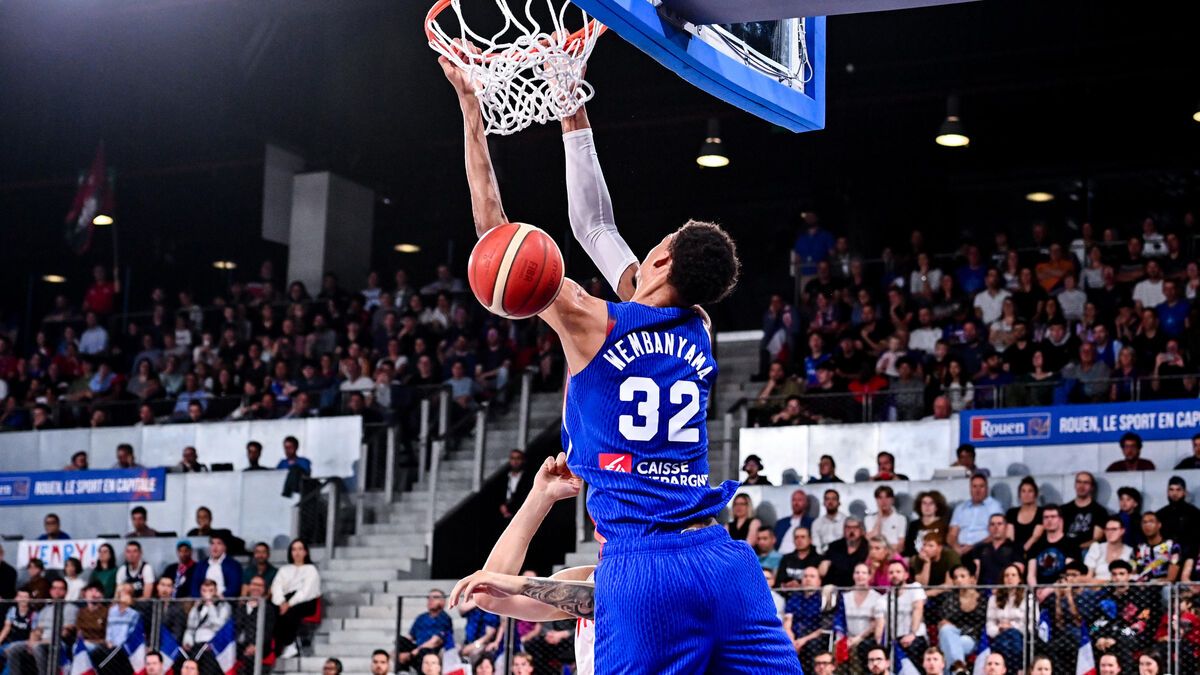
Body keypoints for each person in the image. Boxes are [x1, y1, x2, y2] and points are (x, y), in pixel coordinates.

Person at [446, 60, 795, 673]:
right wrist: (571, 106)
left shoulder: (590, 322)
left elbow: (498, 239)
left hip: (642, 567)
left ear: (659, 259)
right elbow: (597, 228)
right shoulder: (701, 328)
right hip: (724, 562)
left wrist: (473, 112)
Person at [269, 539, 322, 659]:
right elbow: (276, 587)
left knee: (290, 613)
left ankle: (290, 644)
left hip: (305, 601)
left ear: (305, 552)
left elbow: (307, 591)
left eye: (300, 549)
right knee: (271, 611)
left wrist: (290, 604)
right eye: (294, 549)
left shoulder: (311, 570)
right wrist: (281, 602)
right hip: (284, 600)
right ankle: (274, 647)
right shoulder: (284, 570)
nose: (297, 552)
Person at [937, 565, 986, 673]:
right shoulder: (950, 599)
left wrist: (951, 627)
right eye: (955, 577)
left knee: (949, 647)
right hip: (950, 636)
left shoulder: (983, 599)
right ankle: (960, 670)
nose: (958, 580)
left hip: (971, 639)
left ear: (972, 579)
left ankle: (956, 670)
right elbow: (943, 624)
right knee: (947, 634)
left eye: (962, 576)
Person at [1028, 505, 1082, 597]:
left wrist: (1049, 590)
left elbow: (1069, 575)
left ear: (1060, 520)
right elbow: (1031, 574)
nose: (1049, 520)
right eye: (1046, 517)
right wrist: (1036, 590)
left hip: (1062, 592)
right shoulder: (1036, 546)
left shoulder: (1071, 544)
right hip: (1037, 592)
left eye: (1053, 517)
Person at [986, 565, 1028, 673]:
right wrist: (999, 628)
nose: (1010, 578)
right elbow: (989, 623)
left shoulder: (1028, 598)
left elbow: (1031, 624)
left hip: (1021, 637)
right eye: (1006, 575)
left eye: (1013, 575)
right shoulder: (993, 599)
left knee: (1012, 635)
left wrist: (1011, 626)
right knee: (1005, 639)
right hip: (999, 636)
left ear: (1019, 579)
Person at [947, 475, 1003, 556]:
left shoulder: (994, 507)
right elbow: (952, 534)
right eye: (974, 486)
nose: (978, 490)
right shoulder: (961, 508)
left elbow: (997, 533)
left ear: (987, 489)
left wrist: (973, 547)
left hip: (983, 549)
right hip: (959, 550)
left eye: (981, 486)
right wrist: (956, 547)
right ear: (970, 489)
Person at [397, 590, 452, 670]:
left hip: (432, 649)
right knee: (400, 641)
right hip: (417, 648)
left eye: (435, 597)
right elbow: (410, 636)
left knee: (424, 652)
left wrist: (413, 652)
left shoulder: (444, 618)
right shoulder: (421, 617)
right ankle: (403, 672)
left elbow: (435, 641)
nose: (430, 600)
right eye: (428, 597)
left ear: (443, 601)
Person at [841, 563, 884, 667]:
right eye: (857, 572)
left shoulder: (877, 597)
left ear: (869, 576)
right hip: (847, 638)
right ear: (853, 575)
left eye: (864, 573)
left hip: (867, 638)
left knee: (863, 647)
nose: (860, 575)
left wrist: (859, 638)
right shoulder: (845, 597)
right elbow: (840, 619)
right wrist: (845, 639)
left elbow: (876, 623)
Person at [887, 559, 928, 663]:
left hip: (915, 636)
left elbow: (918, 609)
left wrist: (912, 634)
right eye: (891, 572)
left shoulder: (915, 587)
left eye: (898, 572)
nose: (894, 575)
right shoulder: (887, 596)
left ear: (906, 575)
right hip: (895, 639)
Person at [184, 579, 232, 664]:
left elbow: (219, 625)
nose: (207, 594)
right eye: (204, 590)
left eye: (210, 590)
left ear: (216, 591)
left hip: (213, 646)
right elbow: (191, 626)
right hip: (196, 645)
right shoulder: (198, 606)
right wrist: (187, 641)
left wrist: (210, 605)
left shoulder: (224, 606)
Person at [236, 576, 275, 674]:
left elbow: (268, 631)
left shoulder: (268, 609)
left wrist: (255, 645)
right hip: (239, 646)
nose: (256, 587)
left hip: (260, 645)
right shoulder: (240, 608)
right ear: (249, 587)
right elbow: (235, 628)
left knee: (250, 658)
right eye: (254, 584)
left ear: (264, 589)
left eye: (260, 585)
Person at [1059, 472, 1106, 548]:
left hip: (1085, 551)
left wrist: (1077, 548)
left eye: (1086, 483)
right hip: (1064, 549)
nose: (1081, 486)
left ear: (1092, 487)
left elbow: (1097, 539)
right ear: (1075, 485)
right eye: (1079, 482)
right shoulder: (1063, 509)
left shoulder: (1099, 511)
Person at [1156, 475, 1200, 552]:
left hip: (1190, 555)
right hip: (1164, 554)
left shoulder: (1195, 513)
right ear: (1167, 492)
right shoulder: (1160, 514)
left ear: (1184, 492)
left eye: (1178, 490)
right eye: (1171, 490)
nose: (1174, 493)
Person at [820, 518, 869, 588]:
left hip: (857, 589)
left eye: (855, 527)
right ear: (843, 530)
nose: (851, 531)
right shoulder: (834, 546)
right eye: (848, 528)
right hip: (835, 588)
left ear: (862, 530)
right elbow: (822, 570)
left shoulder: (868, 547)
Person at [1133, 512, 1180, 582]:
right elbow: (1134, 573)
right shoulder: (1139, 548)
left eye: (1151, 522)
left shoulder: (1172, 546)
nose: (1147, 525)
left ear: (1159, 525)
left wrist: (1152, 583)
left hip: (1165, 588)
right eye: (1144, 522)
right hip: (1142, 589)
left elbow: (1171, 578)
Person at [1083, 517, 1133, 581]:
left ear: (1122, 531)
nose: (1110, 532)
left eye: (1114, 529)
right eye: (1107, 529)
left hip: (1120, 588)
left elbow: (1132, 577)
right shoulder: (1096, 547)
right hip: (1096, 589)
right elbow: (1087, 577)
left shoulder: (1130, 551)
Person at [1004, 477, 1044, 554]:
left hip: (1034, 551)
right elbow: (1010, 538)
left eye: (1030, 491)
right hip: (1014, 553)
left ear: (1035, 494)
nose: (1026, 494)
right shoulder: (1011, 513)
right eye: (1023, 491)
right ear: (1019, 495)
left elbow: (1035, 537)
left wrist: (1021, 552)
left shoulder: (1041, 512)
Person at [905, 490, 950, 557]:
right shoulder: (914, 525)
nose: (927, 506)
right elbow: (908, 548)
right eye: (924, 503)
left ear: (937, 507)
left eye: (931, 503)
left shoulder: (944, 525)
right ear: (920, 506)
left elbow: (945, 548)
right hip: (916, 560)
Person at [866, 486, 907, 551]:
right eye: (880, 498)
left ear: (892, 500)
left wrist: (881, 549)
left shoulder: (901, 519)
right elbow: (871, 541)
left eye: (887, 497)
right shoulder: (869, 519)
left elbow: (900, 546)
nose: (884, 501)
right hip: (875, 555)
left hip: (894, 555)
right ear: (876, 500)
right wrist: (879, 516)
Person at [499, 450, 534, 520]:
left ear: (523, 460)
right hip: (503, 516)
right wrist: (502, 507)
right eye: (513, 458)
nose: (515, 461)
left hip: (521, 515)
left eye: (518, 458)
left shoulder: (529, 478)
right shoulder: (503, 478)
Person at [811, 489, 847, 555]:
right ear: (824, 503)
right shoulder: (816, 523)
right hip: (822, 556)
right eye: (827, 499)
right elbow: (816, 545)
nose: (830, 502)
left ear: (839, 503)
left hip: (842, 556)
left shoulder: (846, 521)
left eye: (834, 499)